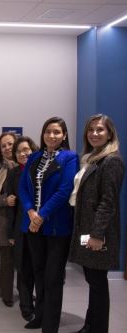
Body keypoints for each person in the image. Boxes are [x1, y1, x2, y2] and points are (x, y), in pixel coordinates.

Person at [19, 117, 78, 332]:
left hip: (56, 227)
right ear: (42, 134)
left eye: (57, 132)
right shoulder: (34, 157)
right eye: (48, 132)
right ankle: (40, 316)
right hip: (33, 225)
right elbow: (23, 187)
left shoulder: (70, 158)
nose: (52, 136)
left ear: (63, 135)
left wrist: (41, 215)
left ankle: (51, 324)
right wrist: (31, 211)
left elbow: (64, 191)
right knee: (39, 273)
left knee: (53, 277)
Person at [69, 114, 124, 333]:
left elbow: (108, 202)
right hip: (88, 231)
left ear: (109, 133)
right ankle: (90, 326)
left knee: (98, 283)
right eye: (91, 130)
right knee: (93, 280)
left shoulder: (112, 161)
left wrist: (97, 234)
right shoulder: (93, 159)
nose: (94, 133)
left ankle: (98, 328)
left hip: (98, 233)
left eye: (100, 130)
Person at [7, 136, 39, 322]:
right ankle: (26, 306)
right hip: (20, 226)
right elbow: (11, 204)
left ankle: (38, 301)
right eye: (19, 151)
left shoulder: (41, 170)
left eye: (26, 149)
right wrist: (11, 233)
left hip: (40, 225)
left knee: (38, 267)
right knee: (23, 268)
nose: (23, 153)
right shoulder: (13, 174)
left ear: (33, 150)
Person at [0, 132, 17, 307]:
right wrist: (5, 200)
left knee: (26, 262)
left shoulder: (27, 165)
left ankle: (27, 293)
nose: (7, 148)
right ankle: (7, 296)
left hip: (24, 220)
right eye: (3, 146)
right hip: (4, 220)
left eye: (10, 144)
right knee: (6, 262)